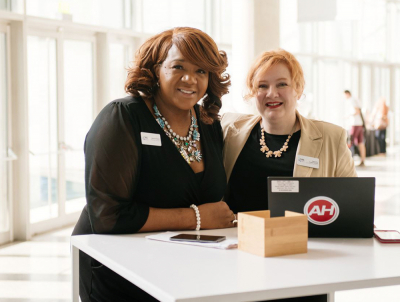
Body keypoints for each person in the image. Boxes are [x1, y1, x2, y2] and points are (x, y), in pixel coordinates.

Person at [72, 27, 236, 302]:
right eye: (178, 66)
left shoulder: (208, 123)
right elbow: (108, 216)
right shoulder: (122, 118)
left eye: (201, 71)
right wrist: (197, 218)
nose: (190, 79)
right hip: (119, 269)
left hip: (183, 269)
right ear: (155, 70)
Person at [221, 49, 357, 302]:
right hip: (240, 259)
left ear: (298, 89)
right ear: (253, 92)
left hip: (302, 263)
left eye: (281, 84)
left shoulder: (330, 137)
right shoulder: (230, 129)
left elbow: (351, 207)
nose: (271, 93)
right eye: (262, 85)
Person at [344, 90, 366, 166]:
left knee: (350, 142)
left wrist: (349, 115)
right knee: (360, 142)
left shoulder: (351, 100)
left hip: (355, 124)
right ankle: (363, 160)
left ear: (347, 94)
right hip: (360, 124)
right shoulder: (356, 99)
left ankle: (348, 161)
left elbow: (357, 111)